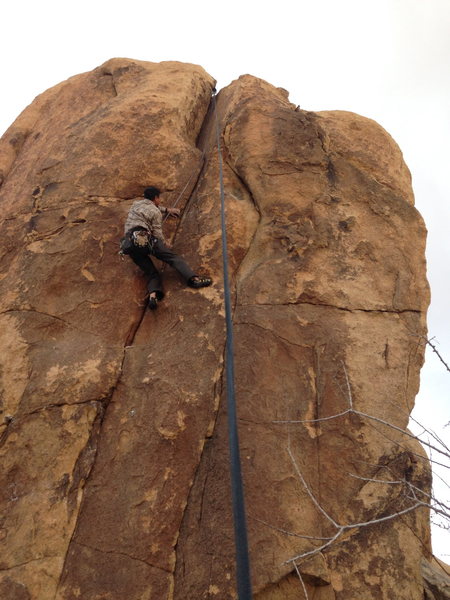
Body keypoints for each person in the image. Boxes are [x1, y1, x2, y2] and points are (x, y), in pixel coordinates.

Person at [122, 186, 212, 309]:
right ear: (155, 198)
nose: (160, 200)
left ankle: (153, 296)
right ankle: (194, 279)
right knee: (173, 258)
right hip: (145, 239)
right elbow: (157, 232)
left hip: (130, 244)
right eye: (159, 198)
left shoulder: (135, 205)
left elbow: (152, 207)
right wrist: (164, 243)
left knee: (151, 272)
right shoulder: (155, 212)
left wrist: (167, 210)